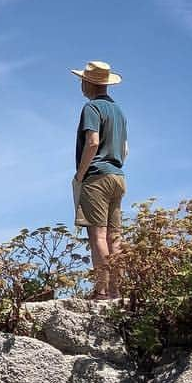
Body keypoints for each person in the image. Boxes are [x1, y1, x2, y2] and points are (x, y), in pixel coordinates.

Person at [70, 61, 128, 300]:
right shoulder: (119, 111)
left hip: (97, 177)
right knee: (116, 236)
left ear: (89, 83)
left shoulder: (91, 108)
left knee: (98, 235)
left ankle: (101, 291)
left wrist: (81, 174)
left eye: (83, 80)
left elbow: (92, 142)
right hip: (118, 176)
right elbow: (125, 149)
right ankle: (116, 291)